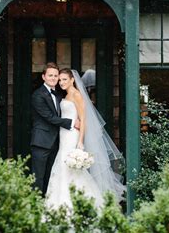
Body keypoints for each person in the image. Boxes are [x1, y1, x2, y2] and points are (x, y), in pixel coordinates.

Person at [45, 68, 125, 210]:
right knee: (63, 166)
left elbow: (83, 120)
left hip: (72, 136)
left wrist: (80, 141)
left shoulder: (77, 95)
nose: (61, 82)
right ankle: (60, 201)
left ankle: (76, 202)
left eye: (64, 79)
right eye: (60, 79)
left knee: (70, 166)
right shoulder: (65, 95)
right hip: (63, 135)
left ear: (72, 80)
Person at [30, 62, 79, 196]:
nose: (53, 78)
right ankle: (36, 206)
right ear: (43, 77)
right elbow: (50, 117)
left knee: (50, 177)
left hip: (57, 143)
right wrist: (73, 122)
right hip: (41, 143)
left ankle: (47, 204)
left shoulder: (58, 95)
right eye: (50, 75)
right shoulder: (38, 95)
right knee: (38, 178)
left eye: (56, 75)